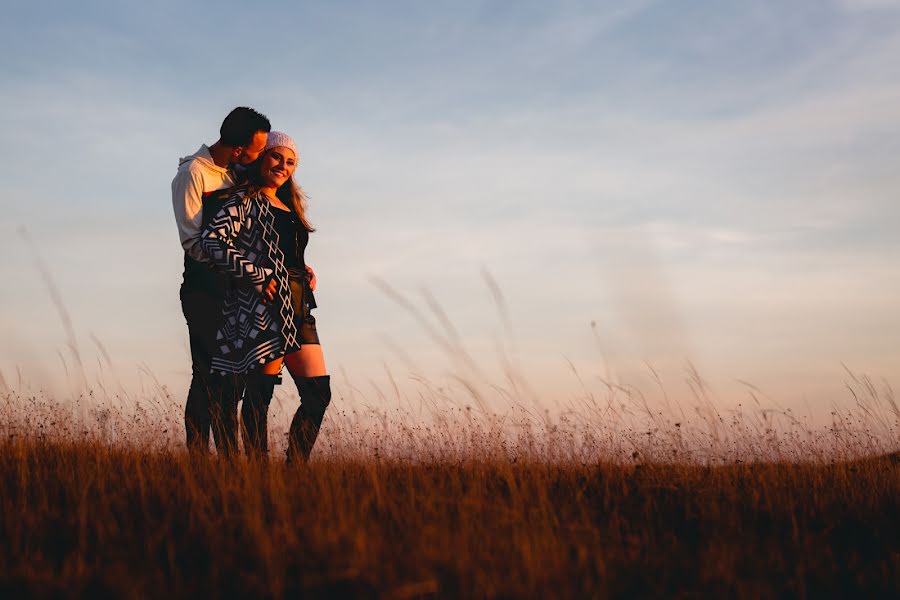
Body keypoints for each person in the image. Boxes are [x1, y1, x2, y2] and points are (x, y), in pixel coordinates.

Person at [200, 131, 330, 462]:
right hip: (266, 307)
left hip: (299, 304)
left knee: (318, 394)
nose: (282, 166)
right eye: (276, 157)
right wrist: (257, 275)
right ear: (262, 157)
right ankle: (258, 473)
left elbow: (285, 250)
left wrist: (305, 269)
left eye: (290, 162)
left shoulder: (290, 204)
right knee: (260, 395)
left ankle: (294, 469)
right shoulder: (243, 199)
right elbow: (214, 242)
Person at [171, 107, 270, 454]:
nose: (261, 156)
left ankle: (230, 463)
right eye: (258, 150)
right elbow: (193, 241)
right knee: (206, 375)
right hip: (203, 288)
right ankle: (198, 458)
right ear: (240, 149)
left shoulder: (235, 175)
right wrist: (237, 266)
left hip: (236, 291)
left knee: (232, 379)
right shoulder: (192, 174)